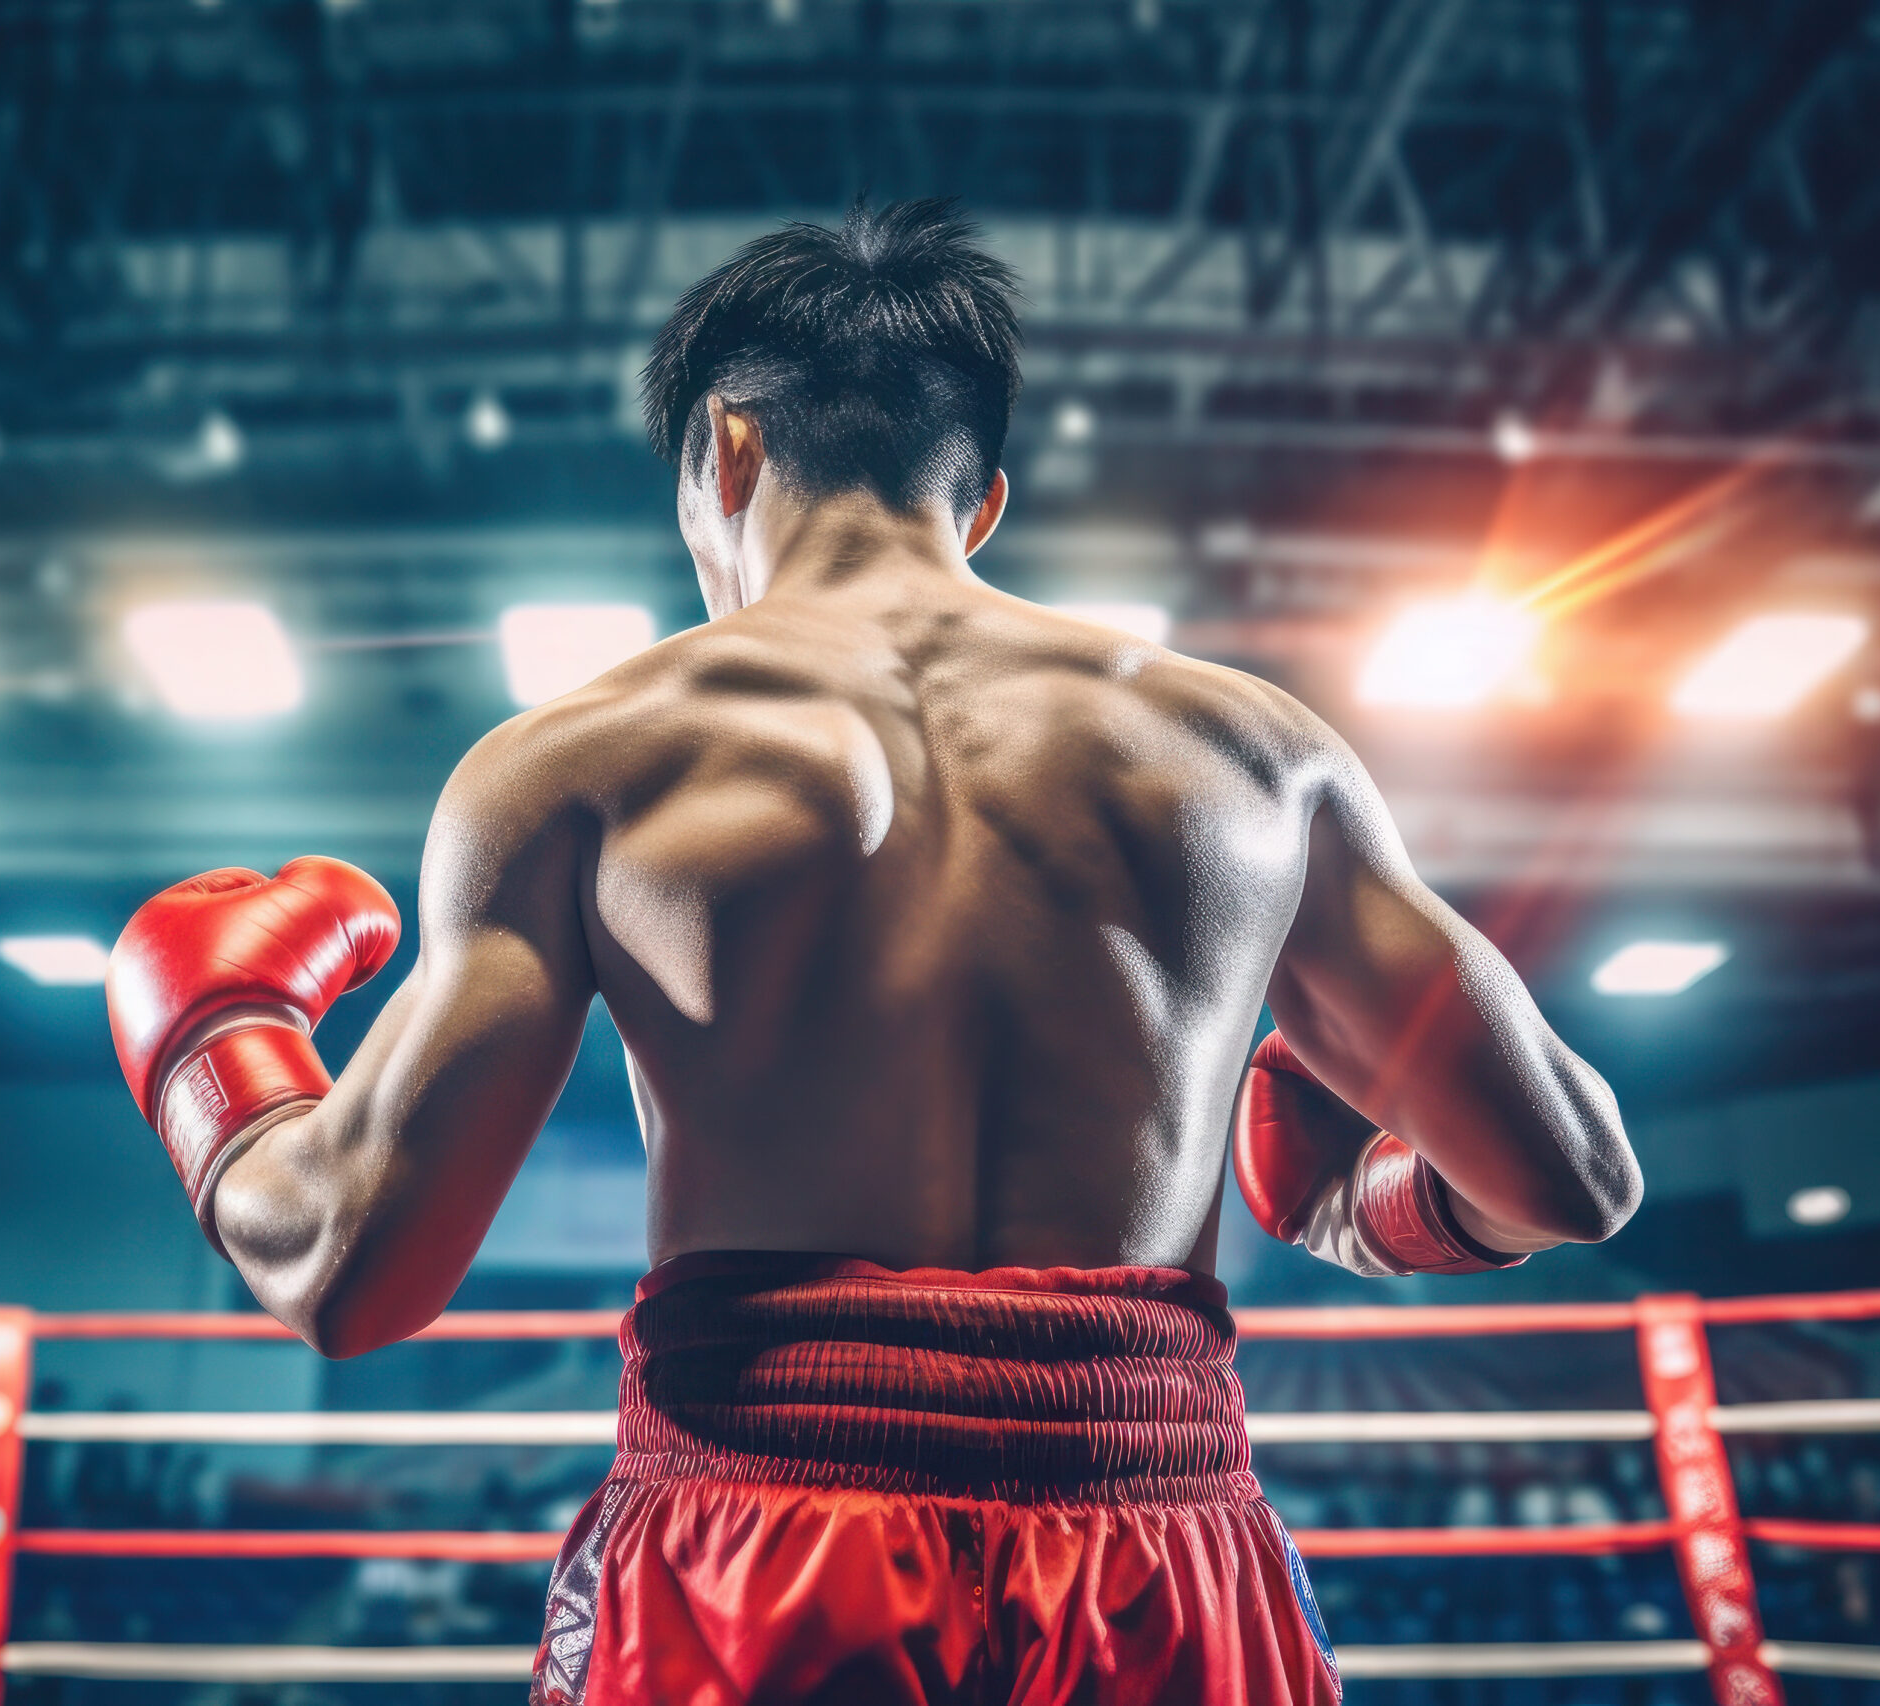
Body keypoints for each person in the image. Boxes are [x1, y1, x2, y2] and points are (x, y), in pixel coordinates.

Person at [105, 200, 1641, 1706]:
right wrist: (1360, 1207)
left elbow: (349, 1265)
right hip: (1154, 1556)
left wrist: (209, 1038)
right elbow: (1569, 1175)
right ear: (979, 502)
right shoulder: (1256, 755)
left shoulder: (583, 758)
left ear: (725, 452)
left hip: (758, 1559)